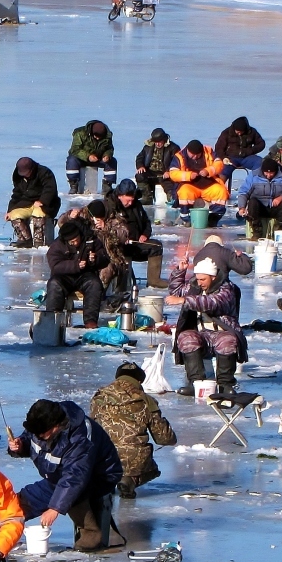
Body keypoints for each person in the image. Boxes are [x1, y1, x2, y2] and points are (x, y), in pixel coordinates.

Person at [6, 399, 124, 552]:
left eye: (41, 435)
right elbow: (30, 440)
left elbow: (75, 477)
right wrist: (20, 446)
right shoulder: (41, 423)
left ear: (56, 426)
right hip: (57, 477)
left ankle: (91, 535)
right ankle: (2, 526)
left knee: (73, 494)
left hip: (98, 476)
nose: (38, 437)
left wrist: (54, 509)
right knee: (20, 503)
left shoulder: (80, 438)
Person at [90, 362, 176, 497]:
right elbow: (164, 438)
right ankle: (129, 480)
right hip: (132, 459)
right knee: (151, 469)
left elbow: (92, 427)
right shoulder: (145, 400)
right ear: (139, 381)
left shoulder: (99, 396)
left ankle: (106, 479)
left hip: (103, 457)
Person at [170, 256, 246, 396]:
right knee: (186, 337)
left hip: (221, 333)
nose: (199, 283)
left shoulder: (227, 289)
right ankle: (196, 382)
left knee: (227, 341)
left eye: (203, 279)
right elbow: (176, 292)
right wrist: (180, 271)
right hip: (201, 333)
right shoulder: (195, 286)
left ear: (213, 277)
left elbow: (212, 303)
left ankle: (225, 384)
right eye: (198, 279)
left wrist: (185, 300)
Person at [44, 220, 107, 329]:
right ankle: (52, 319)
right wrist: (75, 265)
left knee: (94, 284)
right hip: (64, 276)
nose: (75, 243)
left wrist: (95, 259)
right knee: (54, 284)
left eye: (77, 240)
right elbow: (55, 266)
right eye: (72, 242)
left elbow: (105, 258)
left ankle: (90, 321)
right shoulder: (57, 245)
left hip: (85, 274)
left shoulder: (90, 240)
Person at [107, 179, 164, 288]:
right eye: (128, 200)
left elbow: (146, 222)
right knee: (121, 252)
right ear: (120, 195)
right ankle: (121, 285)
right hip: (120, 246)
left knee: (156, 246)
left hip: (136, 243)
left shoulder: (136, 205)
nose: (130, 203)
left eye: (132, 200)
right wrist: (121, 239)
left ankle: (154, 281)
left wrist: (145, 234)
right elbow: (107, 229)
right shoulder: (111, 206)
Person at [167, 139, 228, 227]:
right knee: (184, 192)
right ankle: (187, 218)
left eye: (197, 155)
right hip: (189, 185)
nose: (195, 157)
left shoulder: (208, 151)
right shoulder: (179, 156)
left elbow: (219, 164)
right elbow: (173, 173)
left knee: (221, 191)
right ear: (188, 150)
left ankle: (213, 218)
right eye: (192, 155)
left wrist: (208, 171)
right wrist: (189, 175)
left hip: (209, 184)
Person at [235, 158, 282, 238]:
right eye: (266, 172)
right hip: (259, 208)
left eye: (271, 173)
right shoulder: (254, 176)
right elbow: (243, 192)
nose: (268, 175)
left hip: (275, 207)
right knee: (253, 202)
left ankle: (279, 229)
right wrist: (242, 207)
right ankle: (256, 230)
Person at [6, 156, 61, 248]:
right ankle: (25, 239)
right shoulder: (18, 176)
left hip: (46, 205)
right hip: (26, 203)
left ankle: (39, 241)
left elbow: (50, 189)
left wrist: (42, 201)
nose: (25, 175)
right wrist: (10, 210)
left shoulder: (44, 172)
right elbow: (16, 194)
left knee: (38, 213)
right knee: (14, 215)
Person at [67, 120, 116, 193]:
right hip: (81, 159)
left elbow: (109, 148)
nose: (98, 138)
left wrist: (107, 155)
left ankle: (107, 184)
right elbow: (75, 149)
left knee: (112, 161)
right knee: (71, 160)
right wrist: (88, 156)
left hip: (98, 158)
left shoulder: (108, 136)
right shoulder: (80, 133)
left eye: (100, 137)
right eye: (96, 136)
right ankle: (73, 184)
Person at [214, 116, 266, 185]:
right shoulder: (226, 132)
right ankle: (219, 187)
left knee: (261, 164)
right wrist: (223, 157)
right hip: (230, 158)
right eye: (237, 131)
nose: (239, 133)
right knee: (223, 170)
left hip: (247, 157)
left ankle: (258, 186)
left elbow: (261, 144)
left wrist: (251, 151)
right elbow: (218, 148)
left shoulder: (252, 132)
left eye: (241, 132)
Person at [135, 128, 180, 205]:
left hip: (165, 174)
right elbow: (140, 157)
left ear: (164, 140)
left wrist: (169, 171)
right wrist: (140, 166)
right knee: (140, 176)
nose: (157, 144)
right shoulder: (148, 147)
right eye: (155, 142)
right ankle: (146, 197)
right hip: (151, 173)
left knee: (169, 185)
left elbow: (177, 162)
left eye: (159, 142)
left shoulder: (173, 148)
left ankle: (172, 199)